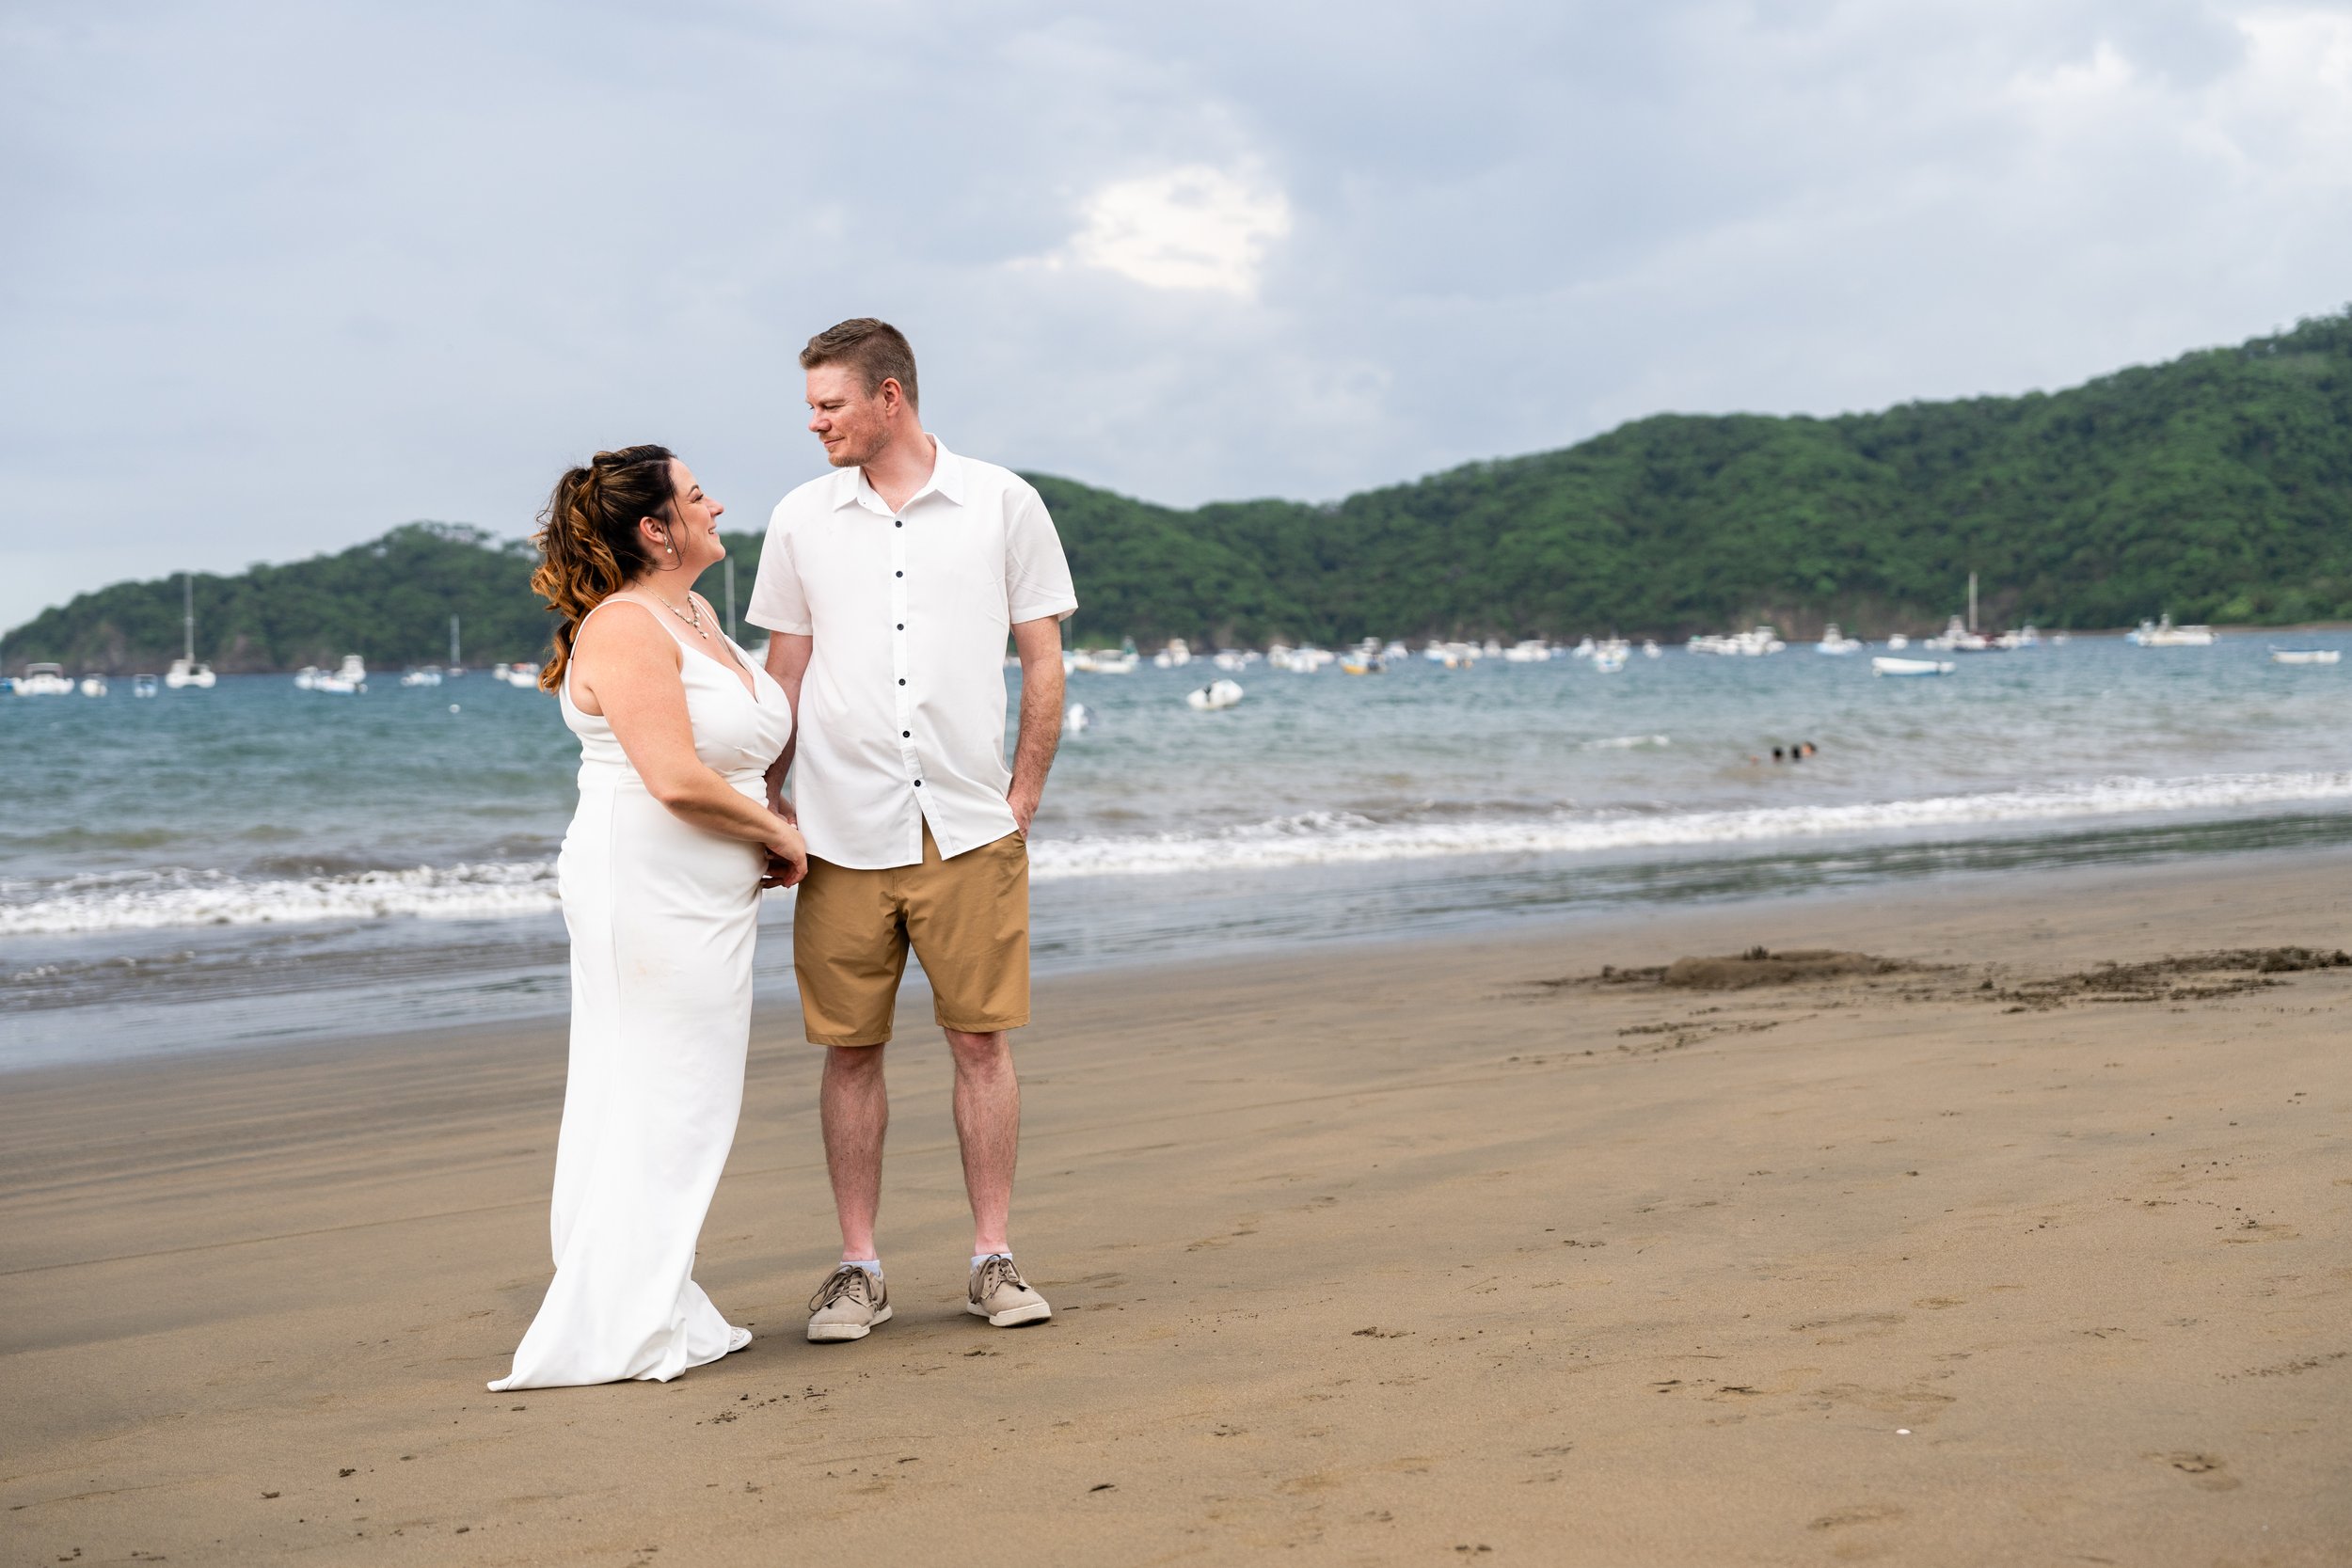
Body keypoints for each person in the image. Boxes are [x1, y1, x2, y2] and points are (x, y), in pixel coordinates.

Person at [748, 319, 1075, 1343]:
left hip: (968, 825)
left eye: (830, 404)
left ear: (889, 397)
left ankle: (992, 1257)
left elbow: (1044, 659)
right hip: (840, 831)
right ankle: (858, 1267)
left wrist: (1021, 798)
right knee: (850, 1049)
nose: (816, 423)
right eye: (811, 405)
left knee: (979, 1040)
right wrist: (769, 802)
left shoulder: (1003, 503)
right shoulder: (800, 517)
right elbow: (784, 673)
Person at [488, 445, 804, 1391]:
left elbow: (718, 762)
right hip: (645, 879)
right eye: (696, 494)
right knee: (661, 1090)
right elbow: (673, 778)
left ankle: (651, 1292)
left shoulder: (695, 610)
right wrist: (783, 838)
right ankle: (614, 1317)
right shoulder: (626, 626)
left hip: (705, 881)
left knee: (680, 1090)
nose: (717, 503)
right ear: (654, 529)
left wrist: (758, 823)